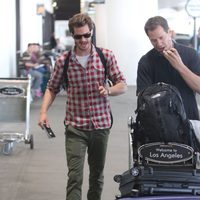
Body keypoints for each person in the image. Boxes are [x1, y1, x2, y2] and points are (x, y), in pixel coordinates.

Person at [38, 13, 127, 200]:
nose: (83, 40)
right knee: (74, 176)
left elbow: (122, 85)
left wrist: (109, 91)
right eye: (78, 36)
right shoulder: (64, 61)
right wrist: (43, 112)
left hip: (100, 125)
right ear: (73, 36)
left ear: (91, 32)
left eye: (87, 35)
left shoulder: (106, 56)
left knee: (96, 176)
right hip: (75, 127)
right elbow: (52, 88)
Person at [137, 16, 200, 120]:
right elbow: (142, 98)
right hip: (160, 124)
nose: (159, 44)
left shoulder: (190, 54)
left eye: (161, 37)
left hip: (189, 119)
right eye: (153, 41)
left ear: (169, 33)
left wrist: (180, 66)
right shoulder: (146, 61)